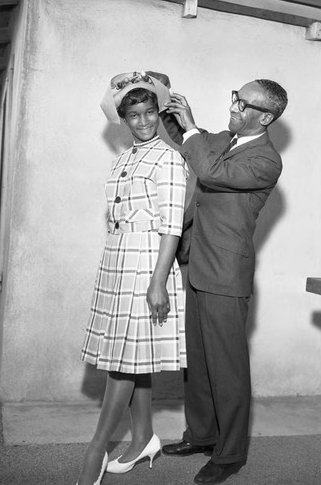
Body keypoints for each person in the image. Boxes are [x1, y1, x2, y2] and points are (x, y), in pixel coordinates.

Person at [161, 79, 288, 485]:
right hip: (198, 265)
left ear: (265, 116)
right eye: (235, 95)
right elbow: (185, 136)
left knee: (227, 369)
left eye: (243, 101)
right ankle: (202, 435)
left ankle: (230, 453)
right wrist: (161, 94)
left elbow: (210, 171)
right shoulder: (221, 139)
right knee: (197, 363)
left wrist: (194, 129)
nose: (233, 104)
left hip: (226, 275)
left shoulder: (266, 160)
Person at [77, 71, 188, 485]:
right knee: (129, 356)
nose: (143, 121)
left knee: (122, 362)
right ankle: (143, 436)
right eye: (134, 115)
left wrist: (158, 281)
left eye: (149, 112)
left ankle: (97, 449)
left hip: (148, 262)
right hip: (118, 259)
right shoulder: (123, 158)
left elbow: (172, 226)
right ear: (123, 119)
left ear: (159, 112)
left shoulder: (169, 157)